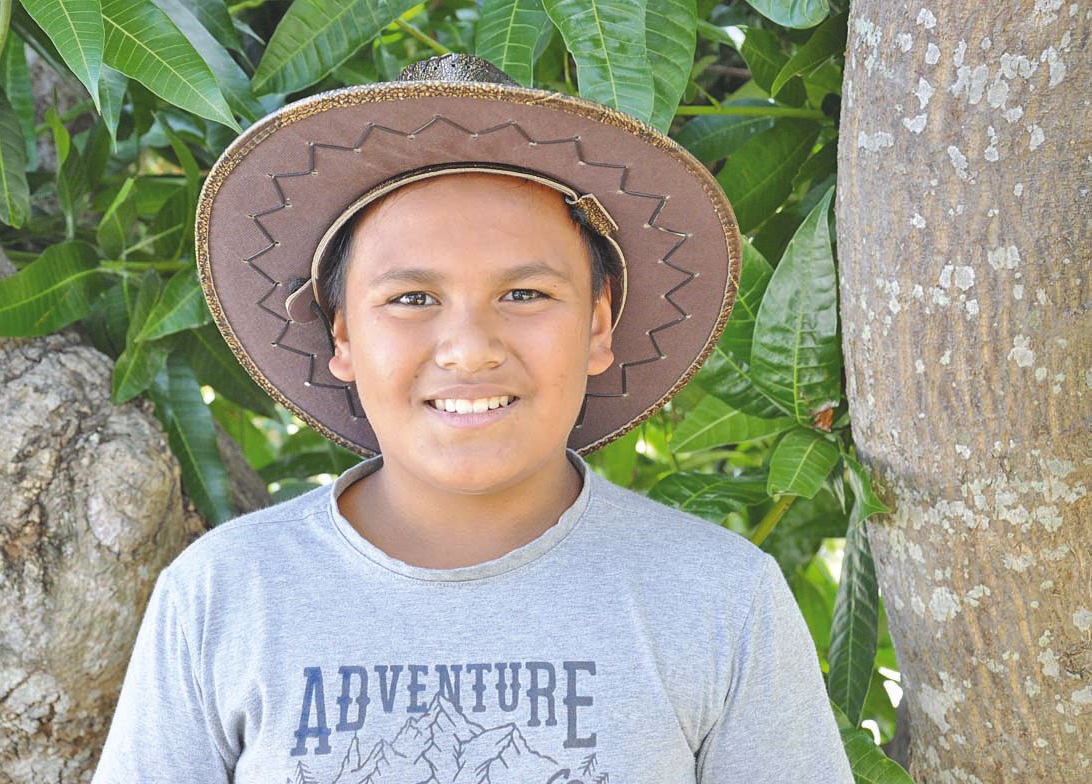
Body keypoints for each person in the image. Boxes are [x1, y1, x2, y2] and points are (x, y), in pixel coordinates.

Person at [92, 54, 852, 783]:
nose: (468, 351)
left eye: (523, 296)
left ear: (597, 325)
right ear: (342, 335)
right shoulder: (225, 593)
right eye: (411, 299)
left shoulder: (716, 597)